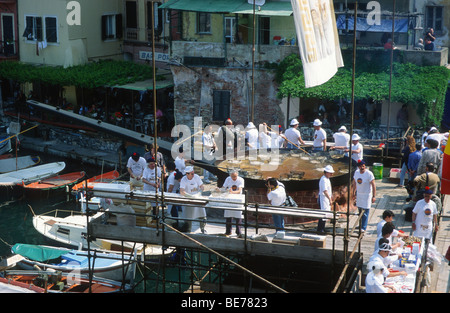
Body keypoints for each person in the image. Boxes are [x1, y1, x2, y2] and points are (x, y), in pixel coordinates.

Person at [180, 166, 206, 233]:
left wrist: (200, 192)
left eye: (193, 173)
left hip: (197, 198)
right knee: (188, 216)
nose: (193, 175)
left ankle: (203, 229)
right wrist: (189, 196)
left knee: (202, 214)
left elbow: (202, 186)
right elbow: (181, 191)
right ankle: (188, 230)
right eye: (191, 174)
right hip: (188, 199)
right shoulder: (184, 179)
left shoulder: (196, 177)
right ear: (187, 174)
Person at [352, 160, 376, 232]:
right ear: (358, 167)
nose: (362, 167)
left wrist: (374, 196)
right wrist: (354, 192)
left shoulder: (369, 174)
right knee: (360, 211)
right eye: (361, 166)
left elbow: (373, 185)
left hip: (367, 195)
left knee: (365, 211)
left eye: (363, 166)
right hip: (359, 194)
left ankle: (364, 227)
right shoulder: (356, 173)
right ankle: (360, 225)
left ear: (365, 166)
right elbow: (354, 183)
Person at [221, 169, 245, 237]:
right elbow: (224, 187)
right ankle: (228, 231)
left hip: (238, 198)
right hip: (229, 198)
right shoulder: (228, 179)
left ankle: (238, 231)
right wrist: (220, 189)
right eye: (232, 176)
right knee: (228, 214)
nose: (233, 178)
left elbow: (239, 190)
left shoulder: (241, 180)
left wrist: (231, 192)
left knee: (238, 215)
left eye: (235, 176)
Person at [317, 165, 334, 233]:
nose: (331, 174)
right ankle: (320, 229)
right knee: (323, 214)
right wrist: (330, 199)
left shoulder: (327, 179)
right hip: (323, 198)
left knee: (325, 214)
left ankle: (323, 228)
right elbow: (325, 191)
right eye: (330, 173)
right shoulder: (323, 179)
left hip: (326, 198)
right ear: (326, 172)